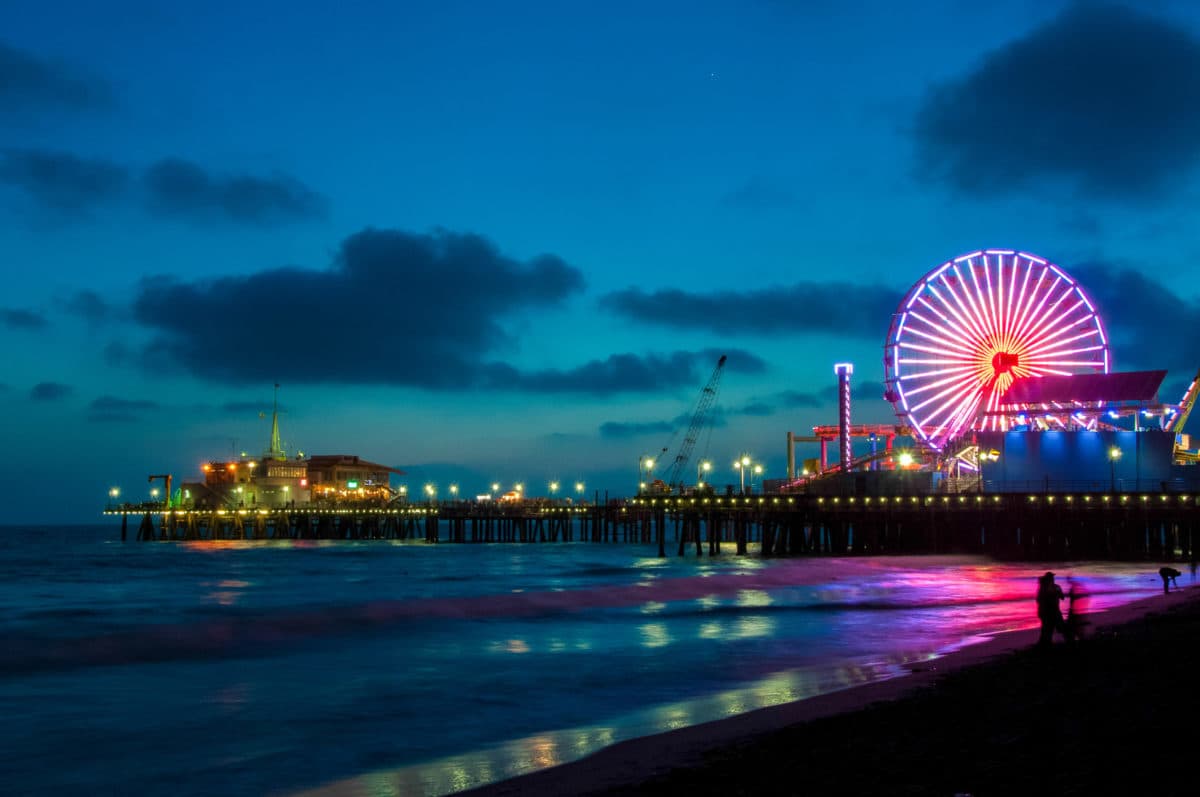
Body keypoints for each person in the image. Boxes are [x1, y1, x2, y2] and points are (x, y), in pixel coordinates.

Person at [1036, 571, 1070, 648]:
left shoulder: (1044, 588)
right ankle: (1048, 644)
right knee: (1052, 629)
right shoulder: (1053, 587)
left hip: (1047, 612)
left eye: (1052, 577)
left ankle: (1045, 645)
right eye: (1051, 577)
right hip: (1051, 612)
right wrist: (1056, 593)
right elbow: (1062, 597)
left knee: (1047, 629)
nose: (1052, 579)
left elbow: (1038, 600)